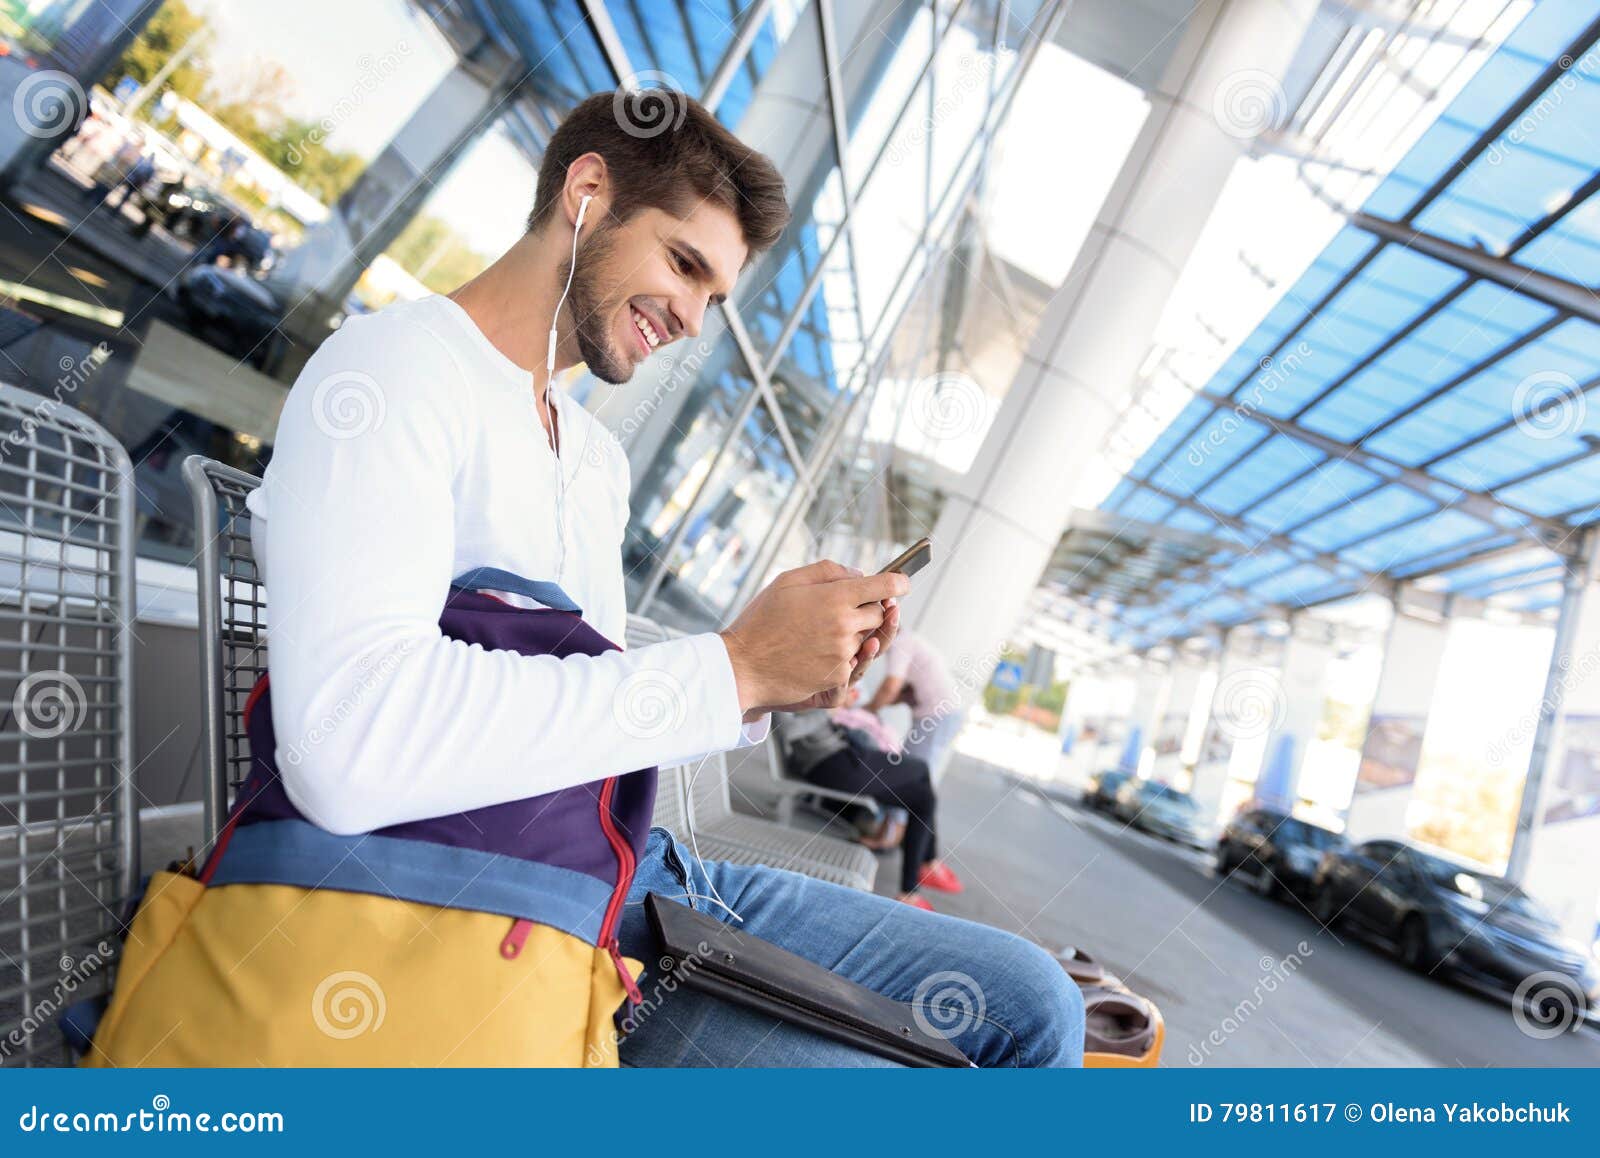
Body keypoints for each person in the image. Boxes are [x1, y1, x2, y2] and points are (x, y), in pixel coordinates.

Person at [245, 89, 1082, 1068]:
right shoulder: (393, 373)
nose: (690, 317)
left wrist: (768, 681)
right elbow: (347, 745)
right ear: (589, 192)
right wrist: (728, 669)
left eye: (715, 297)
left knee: (1036, 1004)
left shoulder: (593, 462)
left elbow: (583, 709)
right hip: (471, 897)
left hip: (618, 870)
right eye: (684, 264)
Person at [776, 707, 963, 909]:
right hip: (833, 765)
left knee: (922, 798)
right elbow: (787, 729)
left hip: (844, 757)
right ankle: (926, 865)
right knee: (920, 768)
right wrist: (829, 711)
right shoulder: (784, 687)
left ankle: (911, 888)